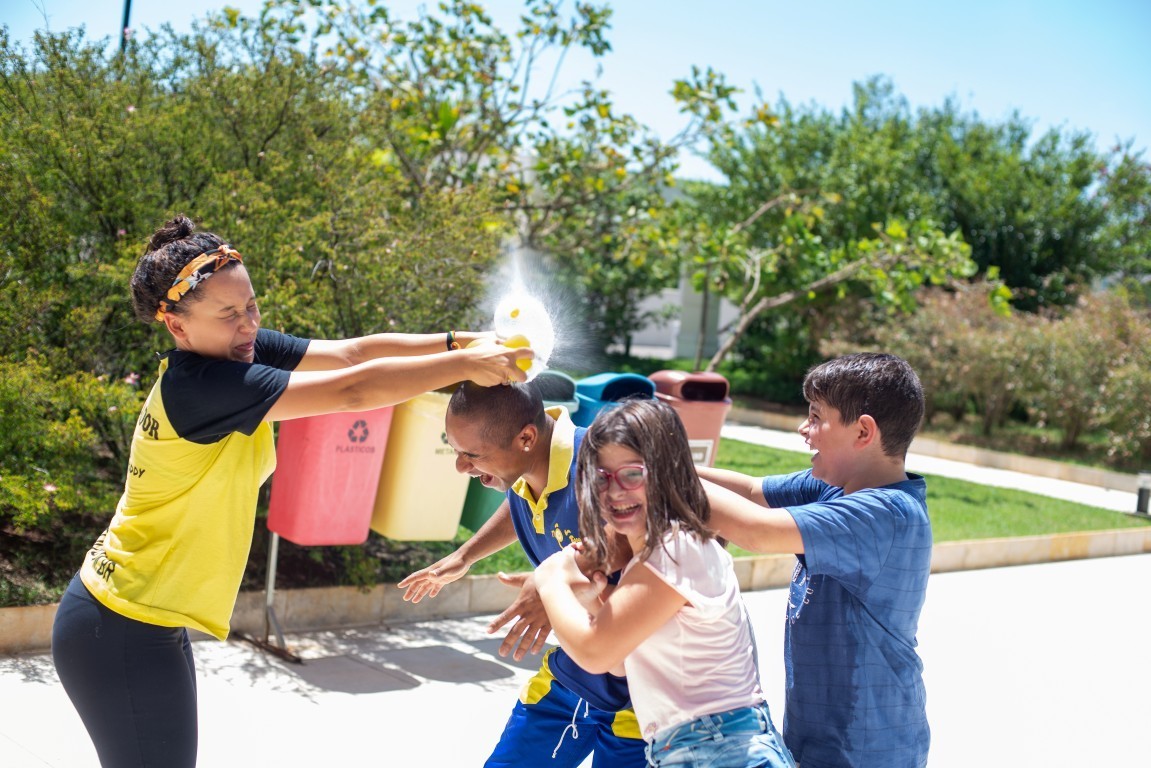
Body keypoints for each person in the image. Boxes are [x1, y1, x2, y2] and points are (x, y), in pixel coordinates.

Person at [50, 214, 531, 768]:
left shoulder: (238, 350)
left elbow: (355, 355)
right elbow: (351, 392)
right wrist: (466, 364)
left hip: (139, 618)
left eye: (251, 305)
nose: (248, 323)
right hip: (119, 626)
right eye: (229, 314)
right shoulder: (203, 387)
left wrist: (459, 342)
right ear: (177, 326)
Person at [697, 352, 932, 768]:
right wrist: (645, 457)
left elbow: (756, 529)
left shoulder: (886, 514)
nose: (803, 430)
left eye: (816, 416)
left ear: (863, 431)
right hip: (819, 739)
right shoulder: (838, 488)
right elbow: (752, 491)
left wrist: (649, 471)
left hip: (868, 750)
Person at [532, 397, 794, 768]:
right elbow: (620, 665)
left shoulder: (676, 551)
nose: (614, 490)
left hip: (722, 747)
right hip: (696, 746)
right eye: (601, 477)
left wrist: (550, 578)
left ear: (666, 471)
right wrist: (595, 603)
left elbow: (595, 653)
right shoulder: (651, 557)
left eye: (632, 474)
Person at [396, 380, 647, 767]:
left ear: (526, 437)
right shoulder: (530, 464)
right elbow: (527, 500)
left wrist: (556, 589)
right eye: (455, 450)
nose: (460, 466)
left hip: (646, 697)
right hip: (573, 676)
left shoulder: (605, 475)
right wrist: (466, 556)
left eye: (471, 454)